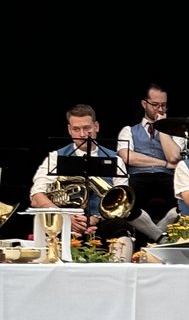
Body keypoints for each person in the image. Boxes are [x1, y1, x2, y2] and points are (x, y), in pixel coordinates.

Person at [30, 103, 159, 244]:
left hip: (101, 222)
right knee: (49, 228)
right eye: (76, 129)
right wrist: (65, 218)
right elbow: (36, 195)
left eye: (87, 128)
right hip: (64, 223)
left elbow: (123, 200)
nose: (82, 134)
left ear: (96, 126)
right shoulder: (55, 157)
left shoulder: (115, 159)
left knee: (122, 228)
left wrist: (95, 219)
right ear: (69, 130)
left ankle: (126, 258)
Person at [117, 85, 186, 224]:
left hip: (167, 177)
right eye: (155, 105)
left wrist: (162, 128)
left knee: (183, 205)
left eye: (163, 105)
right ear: (144, 104)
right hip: (139, 176)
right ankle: (157, 233)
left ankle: (159, 232)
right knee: (127, 205)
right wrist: (165, 164)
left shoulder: (177, 132)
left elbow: (174, 157)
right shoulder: (128, 130)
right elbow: (128, 157)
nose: (160, 109)